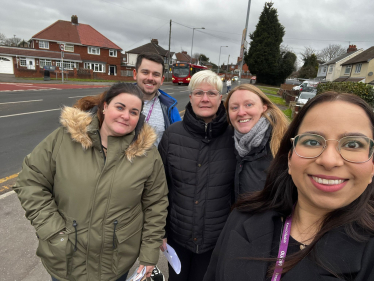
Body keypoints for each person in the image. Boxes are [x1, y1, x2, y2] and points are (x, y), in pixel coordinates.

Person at [204, 92, 374, 281]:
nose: (329, 160)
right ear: (290, 159)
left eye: (353, 144)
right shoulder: (241, 217)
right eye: (312, 141)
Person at [13, 83, 168, 281]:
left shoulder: (148, 155)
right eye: (120, 107)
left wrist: (149, 254)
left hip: (115, 263)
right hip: (66, 259)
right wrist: (52, 229)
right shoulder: (64, 139)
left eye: (134, 112)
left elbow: (156, 205)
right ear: (105, 106)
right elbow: (30, 181)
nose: (126, 116)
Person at [158, 70, 237, 281]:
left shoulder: (236, 137)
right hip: (178, 237)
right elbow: (160, 188)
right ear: (190, 96)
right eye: (199, 92)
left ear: (221, 98)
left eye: (211, 93)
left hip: (216, 239)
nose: (205, 99)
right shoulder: (172, 135)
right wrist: (160, 230)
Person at [225, 84, 289, 201]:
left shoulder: (283, 145)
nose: (241, 112)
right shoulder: (229, 141)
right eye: (234, 107)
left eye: (249, 105)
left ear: (264, 107)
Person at [133, 52, 182, 146]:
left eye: (156, 74)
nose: (150, 78)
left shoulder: (170, 108)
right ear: (135, 74)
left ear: (162, 79)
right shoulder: (116, 101)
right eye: (145, 72)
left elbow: (179, 142)